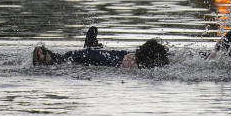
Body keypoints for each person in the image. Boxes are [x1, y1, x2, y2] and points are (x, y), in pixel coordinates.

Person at [32, 27, 168, 69]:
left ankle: (51, 60)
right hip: (116, 58)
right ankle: (91, 47)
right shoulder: (158, 63)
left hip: (114, 62)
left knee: (81, 56)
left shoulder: (139, 62)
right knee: (86, 54)